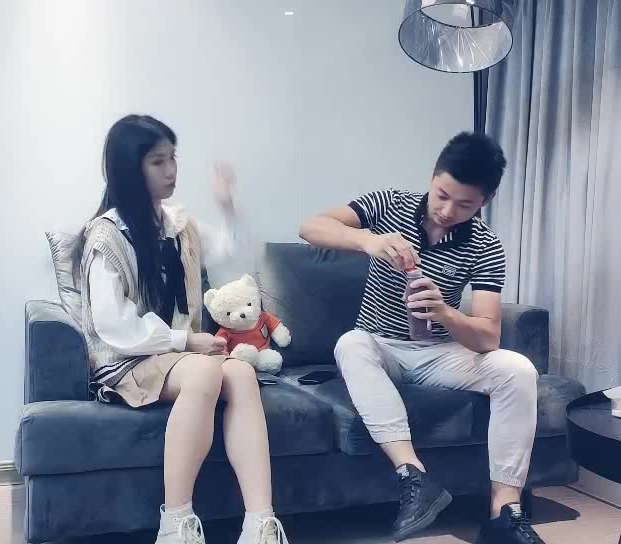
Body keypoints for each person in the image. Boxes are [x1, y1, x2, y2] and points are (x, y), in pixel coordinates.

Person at [299, 132, 544, 544]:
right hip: (381, 346)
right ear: (432, 177)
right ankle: (414, 477)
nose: (447, 211)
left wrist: (446, 313)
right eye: (442, 195)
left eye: (464, 205)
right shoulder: (389, 204)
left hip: (439, 353)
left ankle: (505, 514)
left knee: (518, 369)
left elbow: (487, 336)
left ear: (485, 201)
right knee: (350, 343)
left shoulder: (485, 245)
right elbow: (310, 227)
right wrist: (369, 241)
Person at [71, 114, 289, 544]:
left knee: (242, 374)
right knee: (207, 369)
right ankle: (176, 524)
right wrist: (185, 340)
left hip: (178, 356)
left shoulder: (178, 223)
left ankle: (260, 524)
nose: (171, 170)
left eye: (173, 158)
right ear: (129, 168)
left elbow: (236, 254)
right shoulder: (106, 237)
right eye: (158, 161)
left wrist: (227, 206)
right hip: (127, 359)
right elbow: (113, 325)